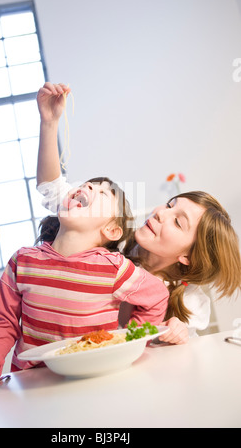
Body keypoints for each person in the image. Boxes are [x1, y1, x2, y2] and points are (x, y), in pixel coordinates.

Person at [36, 82, 241, 341]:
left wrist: (179, 335)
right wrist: (49, 123)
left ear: (187, 256)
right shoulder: (112, 241)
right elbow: (52, 189)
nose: (160, 213)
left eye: (178, 222)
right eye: (169, 205)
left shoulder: (189, 304)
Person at [0, 176, 169, 394]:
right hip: (33, 386)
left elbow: (158, 295)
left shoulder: (115, 268)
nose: (88, 186)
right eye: (85, 185)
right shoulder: (22, 261)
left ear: (111, 230)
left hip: (95, 382)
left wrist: (131, 341)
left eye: (102, 192)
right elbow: (3, 324)